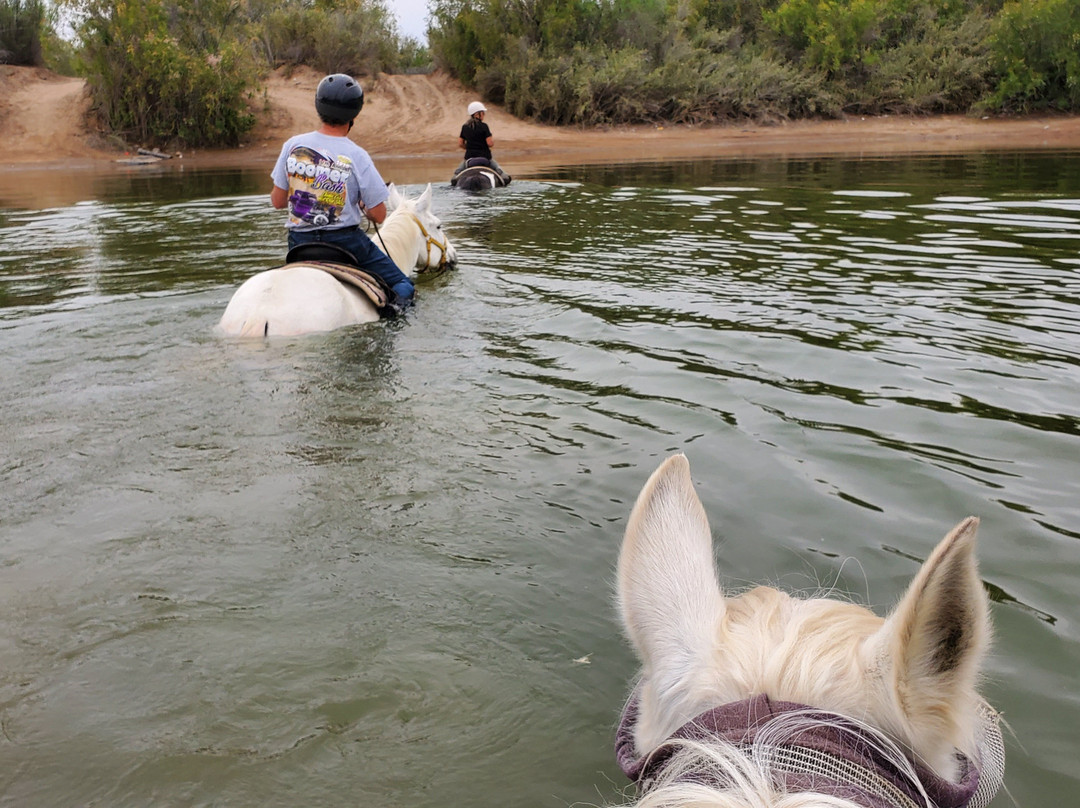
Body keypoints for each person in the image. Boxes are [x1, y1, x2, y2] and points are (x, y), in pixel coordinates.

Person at [271, 73, 414, 314]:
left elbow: (277, 201)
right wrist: (359, 204)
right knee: (403, 285)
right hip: (345, 243)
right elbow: (379, 215)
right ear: (354, 113)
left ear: (319, 107)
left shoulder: (292, 146)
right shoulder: (357, 155)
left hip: (299, 243)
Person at [453, 101, 511, 184]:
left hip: (469, 159)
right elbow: (489, 143)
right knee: (503, 175)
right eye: (483, 113)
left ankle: (454, 180)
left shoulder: (465, 127)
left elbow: (460, 143)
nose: (484, 115)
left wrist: (469, 147)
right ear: (477, 114)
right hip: (485, 158)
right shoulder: (484, 126)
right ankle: (504, 179)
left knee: (456, 176)